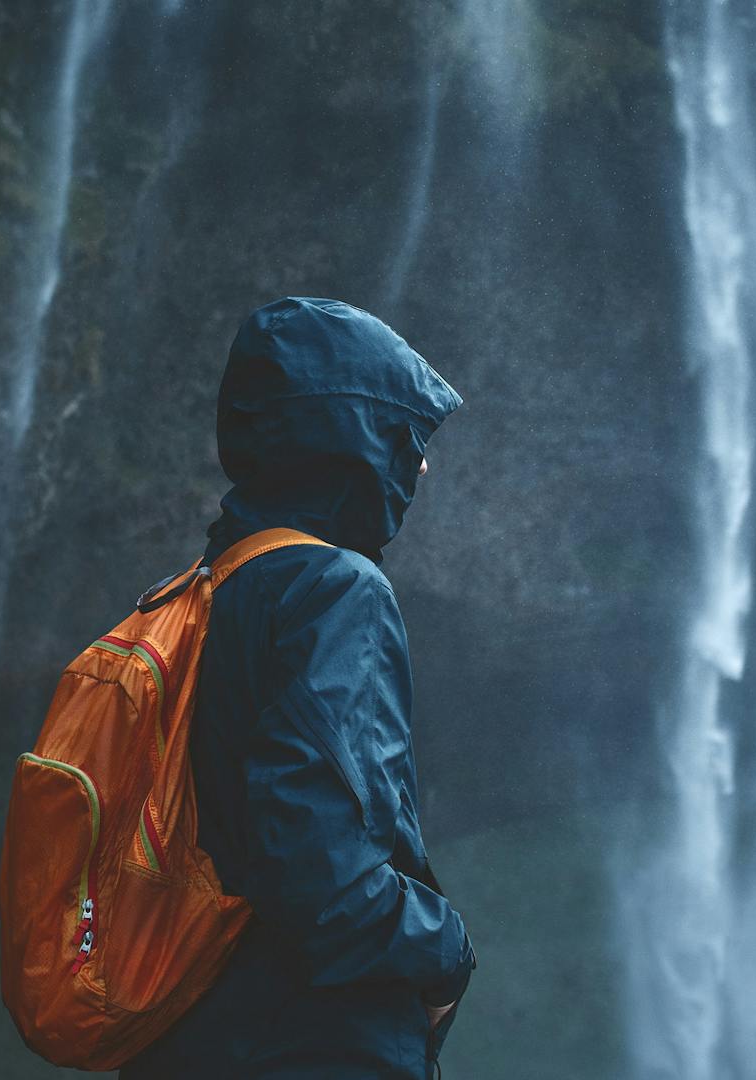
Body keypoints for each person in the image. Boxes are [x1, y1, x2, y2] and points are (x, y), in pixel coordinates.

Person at [123, 297, 475, 1079]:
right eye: (404, 436)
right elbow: (319, 874)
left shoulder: (192, 594)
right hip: (308, 1044)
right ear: (351, 442)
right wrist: (445, 951)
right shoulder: (334, 591)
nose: (420, 465)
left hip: (187, 1035)